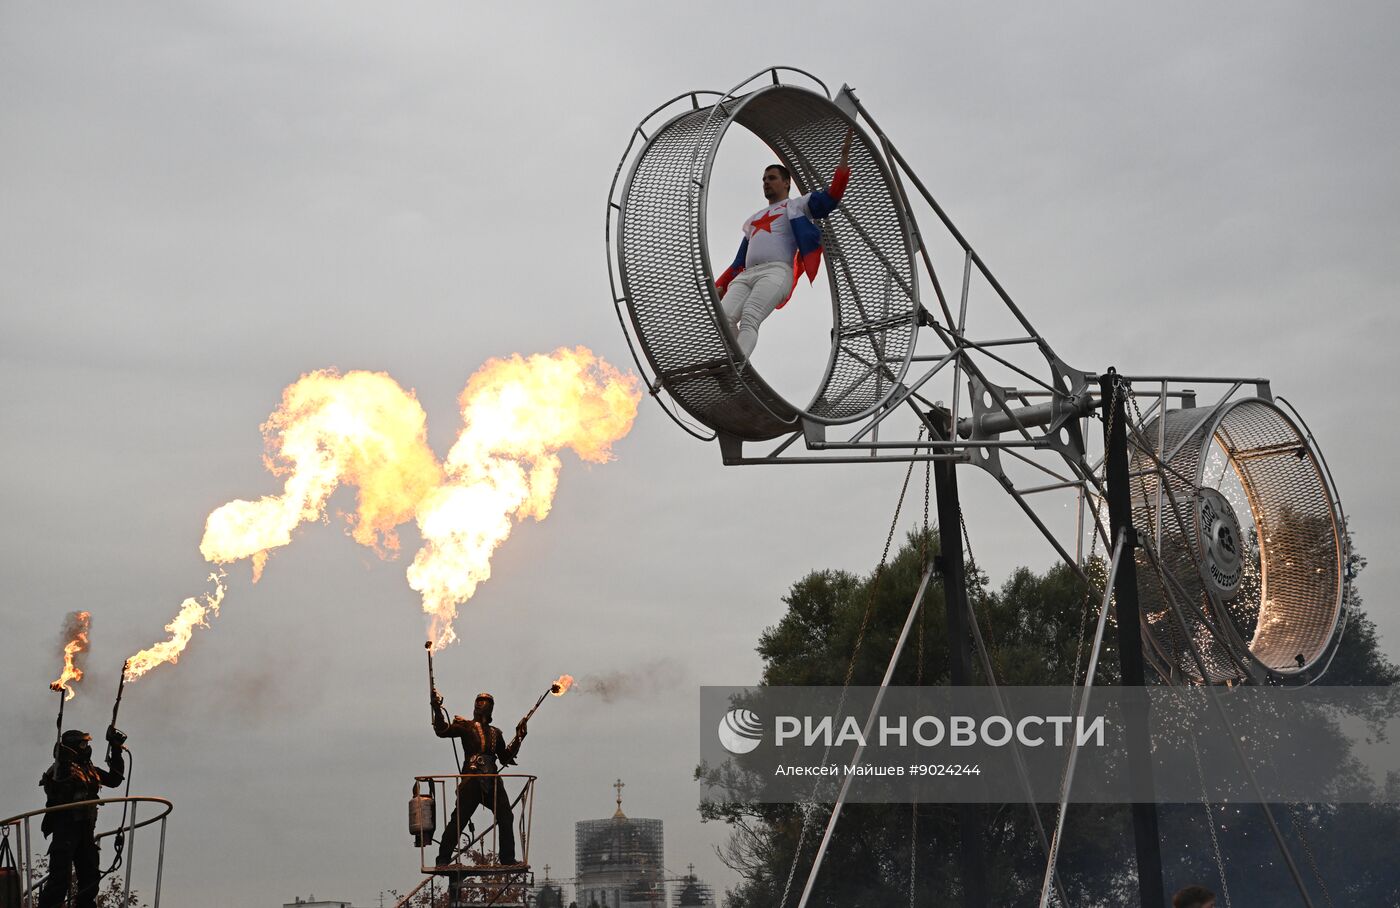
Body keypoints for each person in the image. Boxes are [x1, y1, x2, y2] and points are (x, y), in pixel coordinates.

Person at [714, 127, 855, 360]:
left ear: (786, 183)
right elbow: (739, 261)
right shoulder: (754, 219)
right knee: (723, 317)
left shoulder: (797, 205)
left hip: (776, 272)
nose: (766, 183)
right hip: (747, 274)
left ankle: (736, 366)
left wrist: (843, 158)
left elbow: (831, 198)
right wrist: (720, 285)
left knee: (750, 316)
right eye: (763, 179)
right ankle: (730, 362)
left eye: (772, 178)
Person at [431, 690, 527, 867]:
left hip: (492, 779)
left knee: (506, 815)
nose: (481, 704)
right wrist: (436, 708)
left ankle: (507, 858)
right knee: (460, 818)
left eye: (485, 702)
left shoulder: (496, 733)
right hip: (472, 778)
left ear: (491, 708)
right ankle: (442, 859)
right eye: (479, 701)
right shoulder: (465, 726)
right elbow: (442, 730)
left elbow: (505, 757)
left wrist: (519, 736)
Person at [37, 726, 127, 908]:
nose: (86, 747)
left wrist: (116, 749)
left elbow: (114, 779)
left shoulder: (89, 769)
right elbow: (59, 786)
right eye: (82, 744)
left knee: (90, 876)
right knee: (59, 880)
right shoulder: (58, 770)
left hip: (86, 830)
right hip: (65, 829)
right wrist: (63, 759)